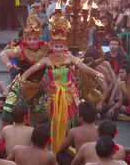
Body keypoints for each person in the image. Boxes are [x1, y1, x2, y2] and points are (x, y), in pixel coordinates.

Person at [21, 10, 103, 153]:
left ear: (64, 46)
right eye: (55, 46)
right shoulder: (47, 60)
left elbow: (83, 67)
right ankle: (55, 145)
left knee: (71, 119)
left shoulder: (69, 58)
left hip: (69, 94)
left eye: (60, 46)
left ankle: (69, 144)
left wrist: (97, 73)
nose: (58, 49)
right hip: (53, 95)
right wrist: (23, 78)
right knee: (54, 120)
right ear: (51, 46)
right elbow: (32, 70)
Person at [0, 12, 49, 127]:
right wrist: (9, 65)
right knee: (8, 115)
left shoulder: (46, 49)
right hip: (21, 87)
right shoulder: (21, 49)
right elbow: (3, 54)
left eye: (35, 39)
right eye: (29, 39)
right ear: (25, 39)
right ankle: (4, 142)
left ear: (39, 38)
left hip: (38, 88)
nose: (32, 42)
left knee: (41, 120)